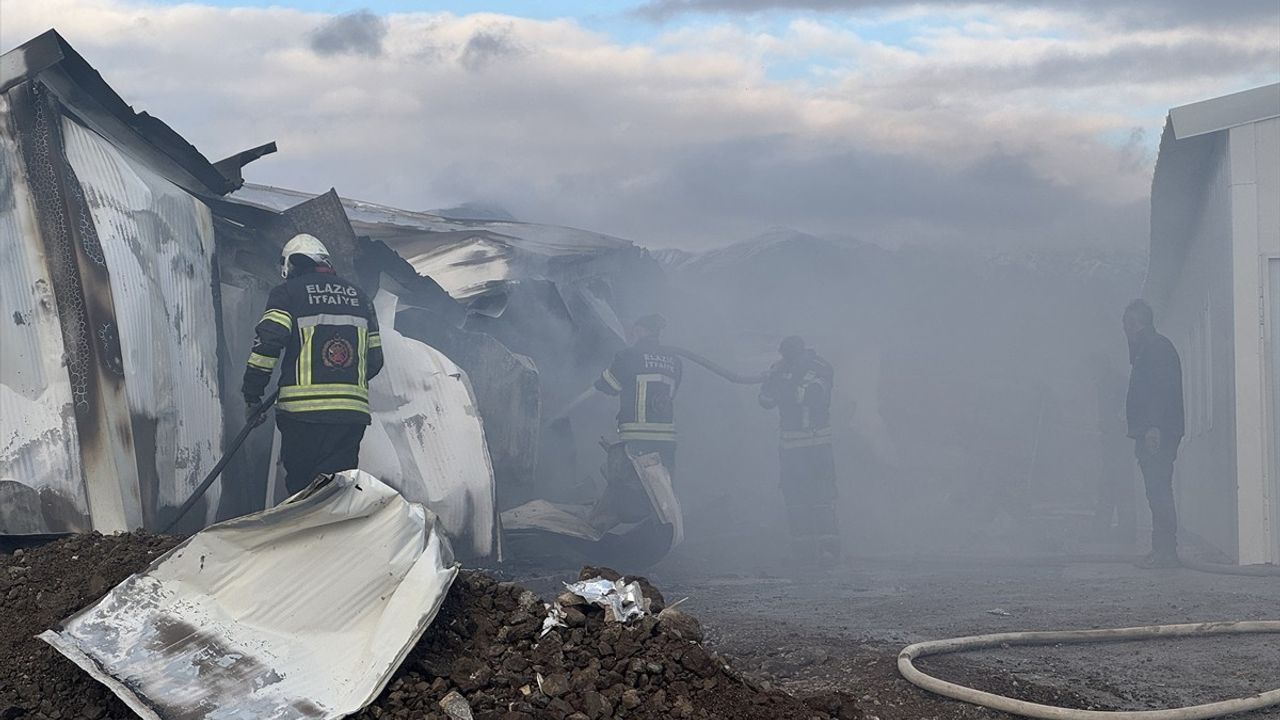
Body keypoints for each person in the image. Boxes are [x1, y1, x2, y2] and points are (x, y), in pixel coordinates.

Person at [242, 233, 383, 495]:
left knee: (303, 490)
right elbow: (374, 360)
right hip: (350, 416)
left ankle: (304, 534)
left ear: (290, 265)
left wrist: (252, 395)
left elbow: (267, 346)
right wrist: (343, 385)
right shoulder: (360, 298)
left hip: (302, 417)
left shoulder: (286, 294)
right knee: (338, 491)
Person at [759, 336, 839, 563]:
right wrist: (771, 381)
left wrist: (782, 383)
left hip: (817, 445)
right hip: (790, 448)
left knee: (821, 496)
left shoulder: (819, 367)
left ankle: (829, 548)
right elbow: (765, 400)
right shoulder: (781, 368)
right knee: (794, 499)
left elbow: (812, 395)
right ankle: (802, 551)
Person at [1122, 299, 1184, 568]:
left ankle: (1166, 553)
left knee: (1159, 490)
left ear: (1136, 324)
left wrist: (1153, 427)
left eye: (1127, 325)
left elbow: (1161, 390)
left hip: (1156, 433)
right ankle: (1161, 549)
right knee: (1155, 490)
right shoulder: (1148, 349)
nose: (1125, 332)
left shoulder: (1156, 349)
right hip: (1152, 430)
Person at [593, 314, 682, 473]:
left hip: (637, 441)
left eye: (633, 333)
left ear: (640, 331)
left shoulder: (628, 356)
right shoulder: (675, 362)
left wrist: (598, 382)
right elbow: (672, 394)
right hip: (666, 441)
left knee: (630, 488)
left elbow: (609, 386)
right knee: (664, 489)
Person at [1090, 352, 1136, 546]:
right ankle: (1109, 528)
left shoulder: (1114, 383)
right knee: (1110, 483)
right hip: (1112, 440)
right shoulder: (1106, 383)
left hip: (1119, 440)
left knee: (1118, 483)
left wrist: (1113, 427)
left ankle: (1123, 530)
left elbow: (1122, 411)